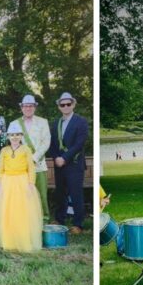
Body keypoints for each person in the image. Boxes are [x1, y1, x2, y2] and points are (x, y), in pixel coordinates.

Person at [0, 121, 42, 253]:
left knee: (21, 211)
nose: (15, 137)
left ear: (21, 136)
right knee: (7, 210)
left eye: (17, 134)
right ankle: (8, 240)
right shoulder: (4, 150)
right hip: (7, 182)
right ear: (8, 136)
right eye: (12, 135)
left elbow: (31, 168)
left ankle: (22, 239)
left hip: (22, 181)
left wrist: (31, 184)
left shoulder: (26, 149)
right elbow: (0, 169)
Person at [50, 92, 90, 234]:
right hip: (59, 164)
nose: (65, 106)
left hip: (74, 163)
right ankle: (59, 219)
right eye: (63, 104)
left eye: (68, 104)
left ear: (73, 104)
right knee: (60, 193)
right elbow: (52, 144)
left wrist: (65, 158)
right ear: (59, 106)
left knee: (76, 193)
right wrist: (56, 158)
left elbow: (79, 143)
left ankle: (78, 224)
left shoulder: (81, 122)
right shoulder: (55, 123)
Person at [13, 95, 51, 222]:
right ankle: (26, 221)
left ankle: (43, 220)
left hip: (39, 165)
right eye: (25, 106)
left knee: (41, 195)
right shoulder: (14, 124)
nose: (28, 108)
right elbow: (12, 144)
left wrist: (34, 158)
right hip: (21, 167)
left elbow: (46, 142)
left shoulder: (43, 122)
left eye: (31, 106)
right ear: (21, 107)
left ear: (35, 107)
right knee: (24, 195)